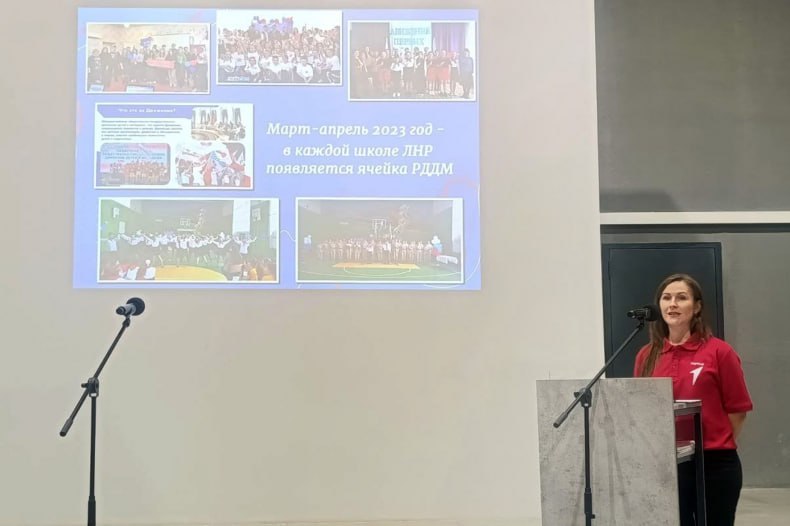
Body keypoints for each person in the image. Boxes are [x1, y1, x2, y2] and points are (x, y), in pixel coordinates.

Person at [634, 274, 753, 526]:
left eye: (681, 298)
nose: (672, 304)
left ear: (697, 307)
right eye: (666, 298)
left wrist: (714, 443)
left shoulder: (719, 351)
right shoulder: (647, 355)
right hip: (666, 462)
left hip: (714, 464)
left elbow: (737, 411)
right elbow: (641, 409)